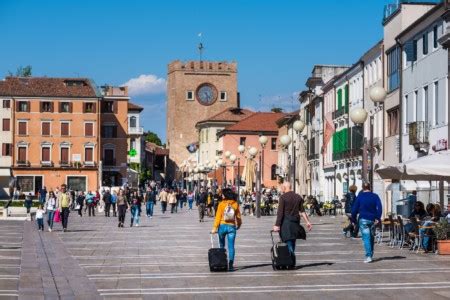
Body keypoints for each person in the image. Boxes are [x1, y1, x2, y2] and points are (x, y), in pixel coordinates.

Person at [273, 182, 312, 262]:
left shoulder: (283, 197)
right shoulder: (298, 197)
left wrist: (277, 225)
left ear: (285, 187)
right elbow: (302, 211)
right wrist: (307, 222)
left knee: (287, 241)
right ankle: (290, 258)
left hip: (286, 223)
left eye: (282, 187)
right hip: (295, 222)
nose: (281, 189)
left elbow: (280, 213)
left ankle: (290, 258)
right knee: (292, 240)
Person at [211, 188, 242, 271]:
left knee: (222, 246)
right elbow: (238, 217)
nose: (222, 195)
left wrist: (214, 227)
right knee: (231, 247)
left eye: (222, 194)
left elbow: (217, 217)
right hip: (232, 227)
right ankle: (231, 265)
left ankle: (222, 262)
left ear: (225, 195)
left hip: (222, 227)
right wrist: (238, 224)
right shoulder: (235, 204)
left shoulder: (221, 204)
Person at [351, 183, 382, 263]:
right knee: (371, 237)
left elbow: (354, 210)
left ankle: (368, 256)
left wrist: (353, 220)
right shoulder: (375, 196)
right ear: (370, 187)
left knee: (366, 238)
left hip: (363, 219)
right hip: (373, 219)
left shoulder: (360, 196)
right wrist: (378, 217)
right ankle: (370, 254)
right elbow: (380, 207)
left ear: (362, 188)